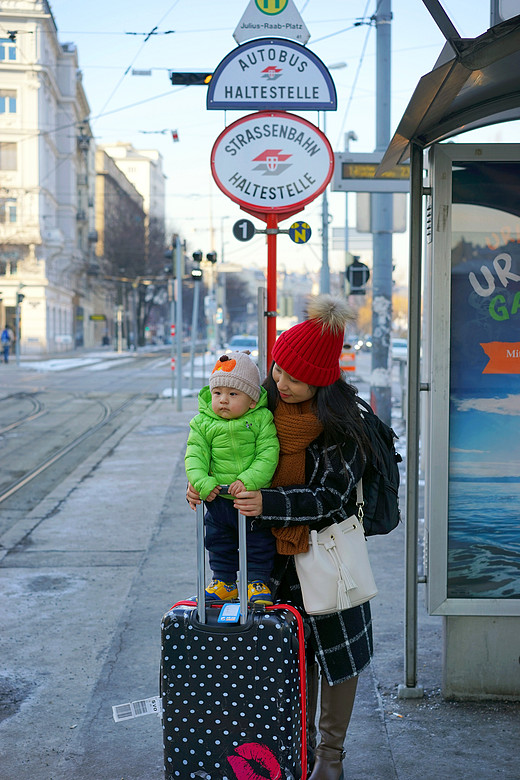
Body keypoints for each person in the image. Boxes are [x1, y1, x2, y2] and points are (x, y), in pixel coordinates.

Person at [187, 296, 374, 780]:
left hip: (328, 554)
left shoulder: (344, 425)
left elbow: (330, 497)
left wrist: (270, 504)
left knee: (335, 656)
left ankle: (330, 757)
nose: (282, 383)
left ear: (322, 379)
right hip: (274, 558)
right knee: (294, 656)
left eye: (295, 377)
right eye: (278, 370)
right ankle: (301, 748)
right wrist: (204, 486)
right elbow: (224, 458)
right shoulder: (259, 407)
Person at [185, 350, 280, 606]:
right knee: (217, 541)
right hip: (218, 498)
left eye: (233, 394)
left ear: (251, 401)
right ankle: (224, 581)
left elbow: (268, 454)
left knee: (258, 541)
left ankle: (256, 581)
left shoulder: (261, 419)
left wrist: (250, 480)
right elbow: (195, 456)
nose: (223, 400)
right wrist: (202, 482)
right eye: (218, 394)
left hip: (248, 497)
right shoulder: (203, 423)